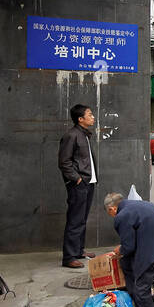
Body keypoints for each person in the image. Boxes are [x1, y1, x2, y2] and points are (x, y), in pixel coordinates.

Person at [58, 103, 97, 269]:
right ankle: (69, 257)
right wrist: (77, 179)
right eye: (89, 114)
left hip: (89, 182)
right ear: (80, 119)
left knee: (82, 219)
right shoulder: (71, 135)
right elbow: (64, 162)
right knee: (75, 220)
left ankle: (79, 250)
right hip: (79, 184)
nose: (93, 117)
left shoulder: (85, 134)